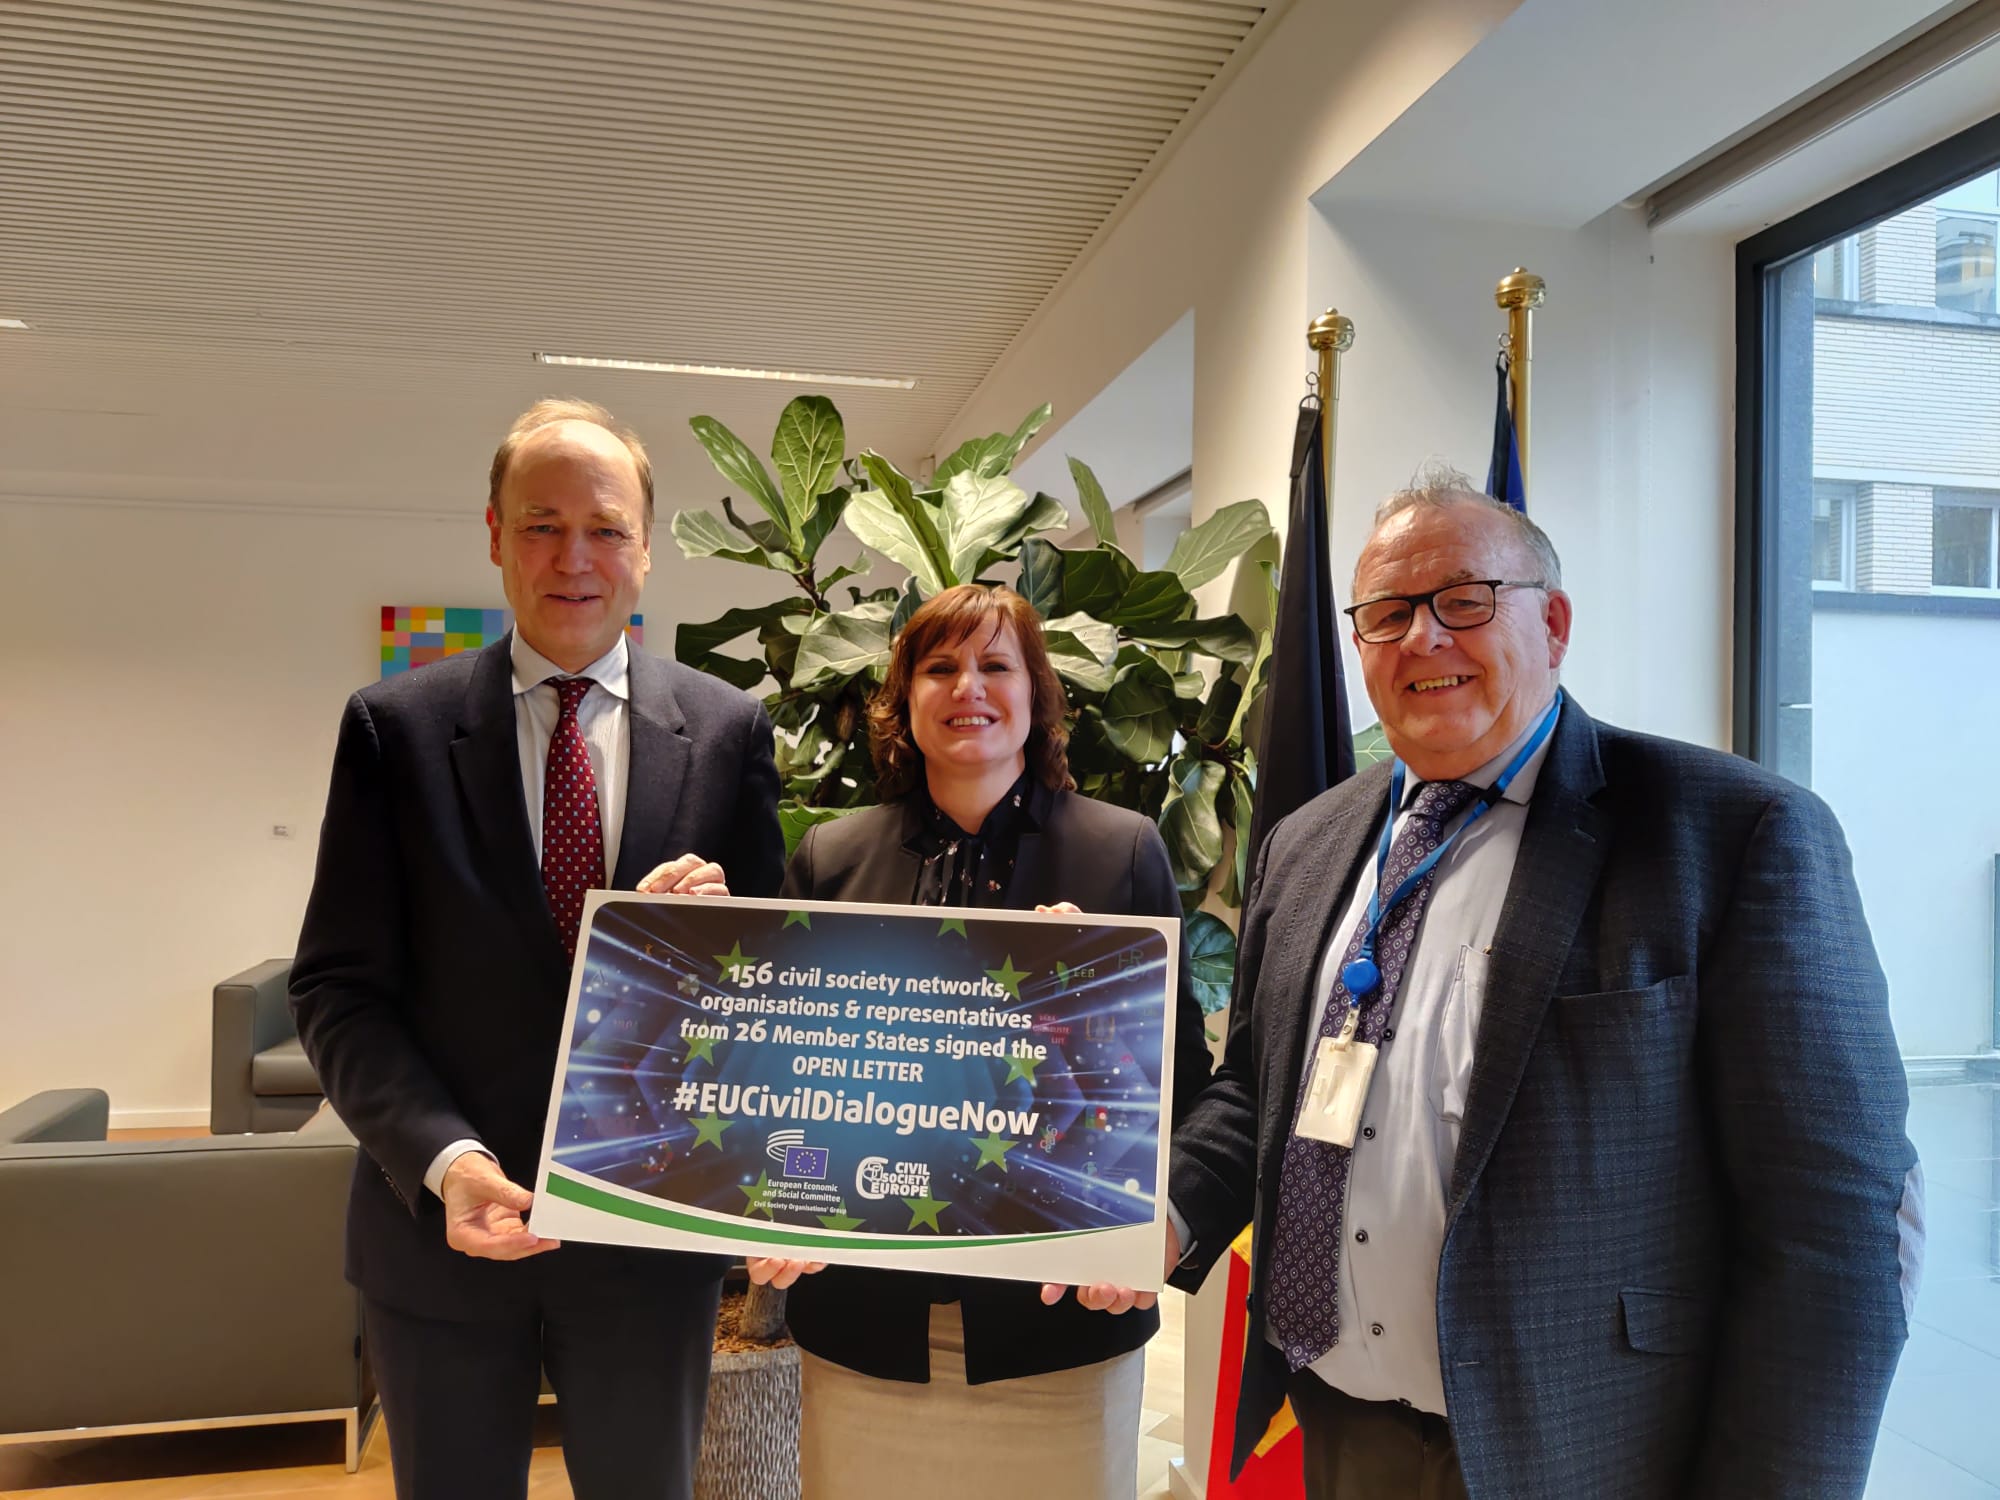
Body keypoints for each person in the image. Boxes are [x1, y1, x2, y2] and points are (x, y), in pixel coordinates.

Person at [1153, 468, 1922, 1498]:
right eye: (1385, 614)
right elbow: (1257, 1088)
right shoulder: (1307, 840)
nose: (1421, 639)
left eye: (1462, 602)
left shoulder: (1729, 835)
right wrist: (1160, 1212)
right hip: (1334, 1423)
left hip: (1586, 1447)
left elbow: (1832, 1231)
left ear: (1551, 623)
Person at [290, 398, 785, 1500]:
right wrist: (446, 1161)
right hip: (443, 1244)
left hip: (651, 1249)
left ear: (647, 549)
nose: (574, 558)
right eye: (541, 524)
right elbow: (337, 987)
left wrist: (707, 945)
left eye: (605, 528)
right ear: (494, 536)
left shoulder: (727, 733)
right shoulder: (395, 729)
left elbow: (770, 994)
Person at [759, 583, 1212, 1500]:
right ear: (902, 700)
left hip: (1058, 1338)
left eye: (996, 665)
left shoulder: (1121, 854)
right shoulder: (830, 860)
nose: (969, 685)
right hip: (863, 1334)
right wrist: (773, 1202)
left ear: (1037, 695)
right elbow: (793, 1084)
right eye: (939, 667)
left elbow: (1185, 1080)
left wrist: (1086, 1000)